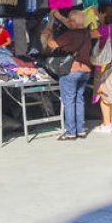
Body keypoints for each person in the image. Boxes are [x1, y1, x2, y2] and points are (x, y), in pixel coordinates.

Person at [45, 9, 96, 140]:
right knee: (79, 100)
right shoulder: (86, 33)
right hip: (85, 70)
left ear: (73, 22)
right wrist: (59, 16)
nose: (68, 22)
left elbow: (52, 44)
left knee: (69, 101)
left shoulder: (70, 35)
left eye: (70, 20)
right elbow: (70, 23)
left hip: (71, 71)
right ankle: (81, 130)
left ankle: (71, 132)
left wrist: (48, 34)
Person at [91, 6, 112, 134]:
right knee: (110, 92)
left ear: (105, 15)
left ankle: (106, 124)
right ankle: (111, 121)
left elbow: (91, 34)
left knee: (103, 93)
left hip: (103, 64)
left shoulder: (103, 29)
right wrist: (98, 14)